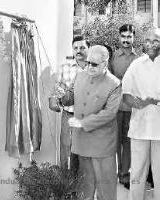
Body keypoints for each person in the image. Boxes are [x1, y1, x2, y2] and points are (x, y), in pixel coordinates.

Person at [61, 45, 122, 200]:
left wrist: (83, 123)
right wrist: (62, 97)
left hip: (102, 145)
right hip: (82, 142)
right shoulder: (80, 76)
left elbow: (109, 113)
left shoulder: (114, 84)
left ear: (105, 64)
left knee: (105, 188)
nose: (89, 67)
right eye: (88, 62)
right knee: (84, 187)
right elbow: (71, 94)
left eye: (94, 64)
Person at [122, 28, 160, 200]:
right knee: (136, 174)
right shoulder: (136, 65)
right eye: (148, 41)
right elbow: (126, 94)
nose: (151, 44)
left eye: (156, 41)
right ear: (143, 42)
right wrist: (137, 102)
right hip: (140, 127)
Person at [49, 36, 89, 172]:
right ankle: (66, 184)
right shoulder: (65, 68)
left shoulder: (95, 69)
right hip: (69, 115)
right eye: (76, 48)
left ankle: (83, 184)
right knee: (67, 150)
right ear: (72, 50)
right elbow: (56, 90)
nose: (79, 51)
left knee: (86, 152)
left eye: (82, 47)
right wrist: (54, 101)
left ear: (88, 49)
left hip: (90, 117)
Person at [110, 24, 138, 189]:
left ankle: (124, 175)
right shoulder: (113, 57)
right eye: (123, 36)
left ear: (133, 37)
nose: (126, 40)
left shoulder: (139, 58)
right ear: (119, 37)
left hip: (132, 107)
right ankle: (112, 173)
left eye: (129, 36)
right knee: (113, 141)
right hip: (114, 107)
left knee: (128, 142)